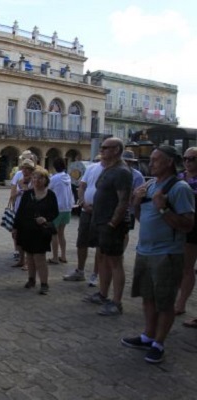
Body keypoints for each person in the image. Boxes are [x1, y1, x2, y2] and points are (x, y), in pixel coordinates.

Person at [121, 145, 194, 364]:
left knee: (164, 302)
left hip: (167, 254)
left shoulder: (180, 188)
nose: (150, 163)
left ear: (169, 162)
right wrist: (136, 201)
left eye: (155, 160)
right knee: (148, 298)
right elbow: (143, 218)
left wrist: (163, 208)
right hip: (145, 251)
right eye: (151, 160)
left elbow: (188, 225)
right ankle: (147, 335)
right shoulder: (151, 184)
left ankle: (159, 343)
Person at [87, 137, 133, 316]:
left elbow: (123, 201)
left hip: (112, 225)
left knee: (115, 262)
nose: (102, 150)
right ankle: (103, 294)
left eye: (106, 148)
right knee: (103, 259)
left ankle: (116, 302)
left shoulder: (122, 171)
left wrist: (113, 222)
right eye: (102, 147)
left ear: (116, 150)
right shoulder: (107, 169)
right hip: (100, 221)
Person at [12, 166, 59, 294]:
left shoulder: (50, 195)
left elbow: (55, 212)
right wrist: (15, 227)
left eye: (39, 178)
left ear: (45, 180)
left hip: (41, 230)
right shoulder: (28, 194)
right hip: (27, 229)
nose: (36, 180)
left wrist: (45, 219)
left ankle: (44, 284)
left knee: (40, 257)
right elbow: (20, 212)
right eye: (34, 178)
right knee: (29, 256)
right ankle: (31, 279)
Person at [64, 156, 104, 285]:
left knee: (99, 244)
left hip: (101, 212)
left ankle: (95, 274)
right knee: (81, 241)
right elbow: (82, 186)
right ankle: (80, 271)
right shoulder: (91, 168)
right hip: (86, 211)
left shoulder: (114, 170)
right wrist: (82, 202)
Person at [175, 147, 197, 320]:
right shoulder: (180, 177)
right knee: (185, 266)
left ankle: (181, 303)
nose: (188, 162)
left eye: (192, 159)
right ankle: (180, 302)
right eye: (186, 158)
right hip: (183, 226)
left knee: (188, 267)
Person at [8, 157, 36, 269]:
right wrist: (19, 190)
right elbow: (13, 195)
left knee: (28, 236)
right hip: (18, 209)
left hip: (30, 211)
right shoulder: (19, 176)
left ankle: (29, 262)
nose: (24, 171)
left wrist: (24, 187)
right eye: (23, 168)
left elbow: (34, 195)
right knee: (16, 234)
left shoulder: (35, 179)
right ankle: (21, 259)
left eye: (27, 168)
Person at [47, 157, 74, 265]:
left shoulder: (55, 178)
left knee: (54, 233)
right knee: (61, 233)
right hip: (67, 207)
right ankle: (63, 255)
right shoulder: (67, 177)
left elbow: (48, 189)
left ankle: (55, 257)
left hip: (57, 208)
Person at [122, 150, 146, 251]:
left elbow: (140, 192)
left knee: (124, 231)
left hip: (129, 209)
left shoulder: (137, 176)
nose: (127, 163)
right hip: (113, 207)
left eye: (129, 161)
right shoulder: (115, 172)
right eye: (125, 161)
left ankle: (121, 251)